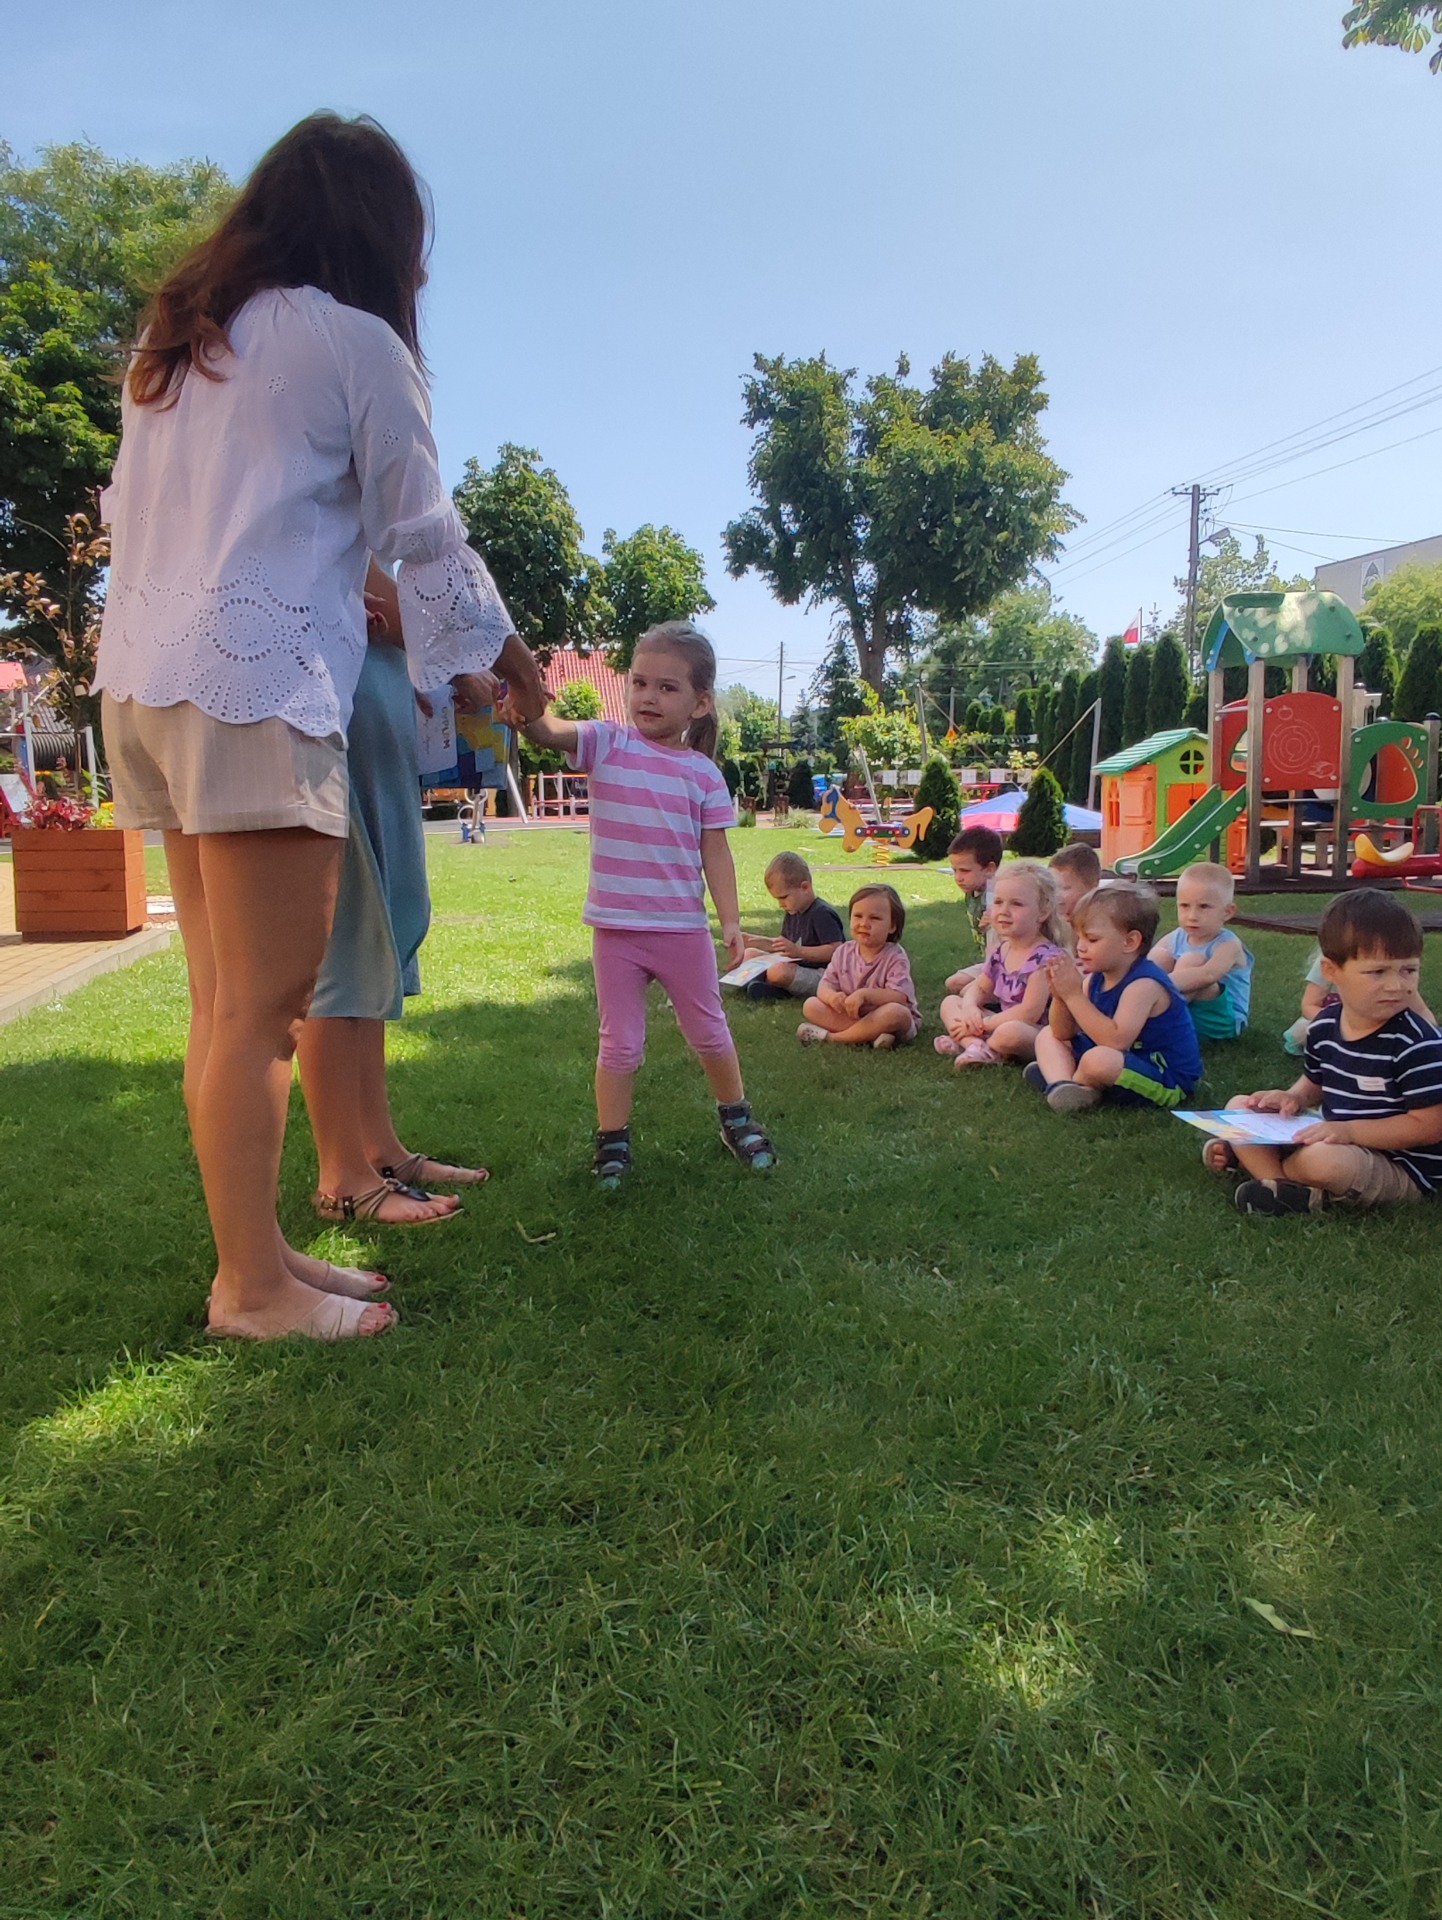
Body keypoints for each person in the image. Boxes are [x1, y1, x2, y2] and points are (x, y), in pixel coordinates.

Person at [95, 114, 542, 1341]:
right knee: (262, 1008)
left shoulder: (172, 355)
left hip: (144, 683)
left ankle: (259, 1259)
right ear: (378, 236)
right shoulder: (350, 341)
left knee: (220, 1004)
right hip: (257, 677)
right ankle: (250, 1291)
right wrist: (514, 668)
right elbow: (425, 538)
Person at [505, 620, 776, 1187]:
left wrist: (730, 922)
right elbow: (548, 731)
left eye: (667, 687)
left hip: (682, 932)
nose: (648, 696)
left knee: (709, 1032)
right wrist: (525, 705)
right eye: (639, 682)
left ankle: (736, 1118)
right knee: (620, 1043)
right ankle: (612, 1140)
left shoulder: (704, 775)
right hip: (616, 932)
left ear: (700, 703)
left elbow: (716, 853)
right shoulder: (607, 742)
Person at [297, 563, 528, 1226]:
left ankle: (380, 1150)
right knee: (345, 945)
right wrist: (462, 662)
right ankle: (342, 1175)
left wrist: (427, 668)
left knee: (380, 942)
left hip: (377, 707)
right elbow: (387, 587)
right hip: (335, 707)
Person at [1203, 889, 1442, 1216]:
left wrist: (1349, 1132)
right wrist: (1292, 1098)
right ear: (1331, 971)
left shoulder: (1417, 1042)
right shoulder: (1325, 1025)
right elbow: (1315, 1081)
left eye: (1408, 970)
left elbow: (1429, 1126)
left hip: (1399, 1164)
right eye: (1378, 972)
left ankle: (1265, 1168)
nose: (1397, 985)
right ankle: (1278, 1185)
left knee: (1323, 1161)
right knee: (1239, 1108)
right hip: (1336, 1134)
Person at [1025, 881, 1202, 1113]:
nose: (1081, 947)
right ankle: (1064, 1085)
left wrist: (1074, 995)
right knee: (1048, 1035)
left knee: (1098, 1060)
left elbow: (1117, 1041)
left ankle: (1068, 1080)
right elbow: (1062, 1032)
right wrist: (1061, 997)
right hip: (1120, 1060)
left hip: (1163, 1075)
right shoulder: (1096, 979)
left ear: (1130, 942)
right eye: (1079, 937)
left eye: (1092, 939)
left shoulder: (1144, 985)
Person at [935, 861, 1067, 1067]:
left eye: (1016, 904)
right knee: (951, 1003)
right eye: (998, 902)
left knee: (1010, 1032)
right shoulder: (1002, 950)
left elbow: (1029, 1013)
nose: (1004, 910)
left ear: (1043, 911)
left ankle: (976, 1044)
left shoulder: (1045, 959)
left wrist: (983, 1023)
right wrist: (970, 1008)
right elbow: (981, 987)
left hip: (1035, 1031)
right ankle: (975, 1045)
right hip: (998, 1021)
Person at [797, 883, 919, 1049]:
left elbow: (899, 997)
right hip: (851, 1016)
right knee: (811, 1005)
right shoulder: (843, 952)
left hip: (885, 1016)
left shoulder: (895, 957)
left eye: (874, 918)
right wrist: (832, 997)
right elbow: (824, 986)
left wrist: (865, 995)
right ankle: (870, 1035)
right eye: (858, 916)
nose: (864, 923)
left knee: (897, 1013)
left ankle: (833, 1038)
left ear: (892, 926)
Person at [1149, 861, 1253, 1041]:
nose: (1192, 916)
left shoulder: (1228, 945)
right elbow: (1148, 965)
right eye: (1185, 906)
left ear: (1227, 912)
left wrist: (1156, 985)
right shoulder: (1177, 936)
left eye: (1203, 907)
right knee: (1160, 955)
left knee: (1192, 961)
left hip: (1220, 1020)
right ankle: (1151, 1016)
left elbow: (1208, 975)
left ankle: (1160, 1020)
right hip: (1188, 1009)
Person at [742, 850, 844, 1002]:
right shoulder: (793, 910)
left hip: (824, 975)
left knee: (778, 971)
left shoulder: (822, 913)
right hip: (797, 965)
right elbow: (784, 945)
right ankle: (759, 984)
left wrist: (798, 951)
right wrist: (754, 941)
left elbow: (836, 950)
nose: (780, 904)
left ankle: (775, 989)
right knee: (750, 954)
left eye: (784, 897)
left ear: (805, 887)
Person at [942, 824, 1004, 996]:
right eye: (954, 870)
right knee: (954, 983)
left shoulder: (997, 892)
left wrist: (996, 917)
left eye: (964, 871)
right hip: (991, 964)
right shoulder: (973, 890)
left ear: (990, 869)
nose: (958, 878)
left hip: (1009, 965)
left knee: (967, 993)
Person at [1048, 843, 1102, 933]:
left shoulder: (1101, 928)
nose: (1056, 896)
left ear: (1092, 889)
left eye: (1065, 888)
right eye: (1052, 888)